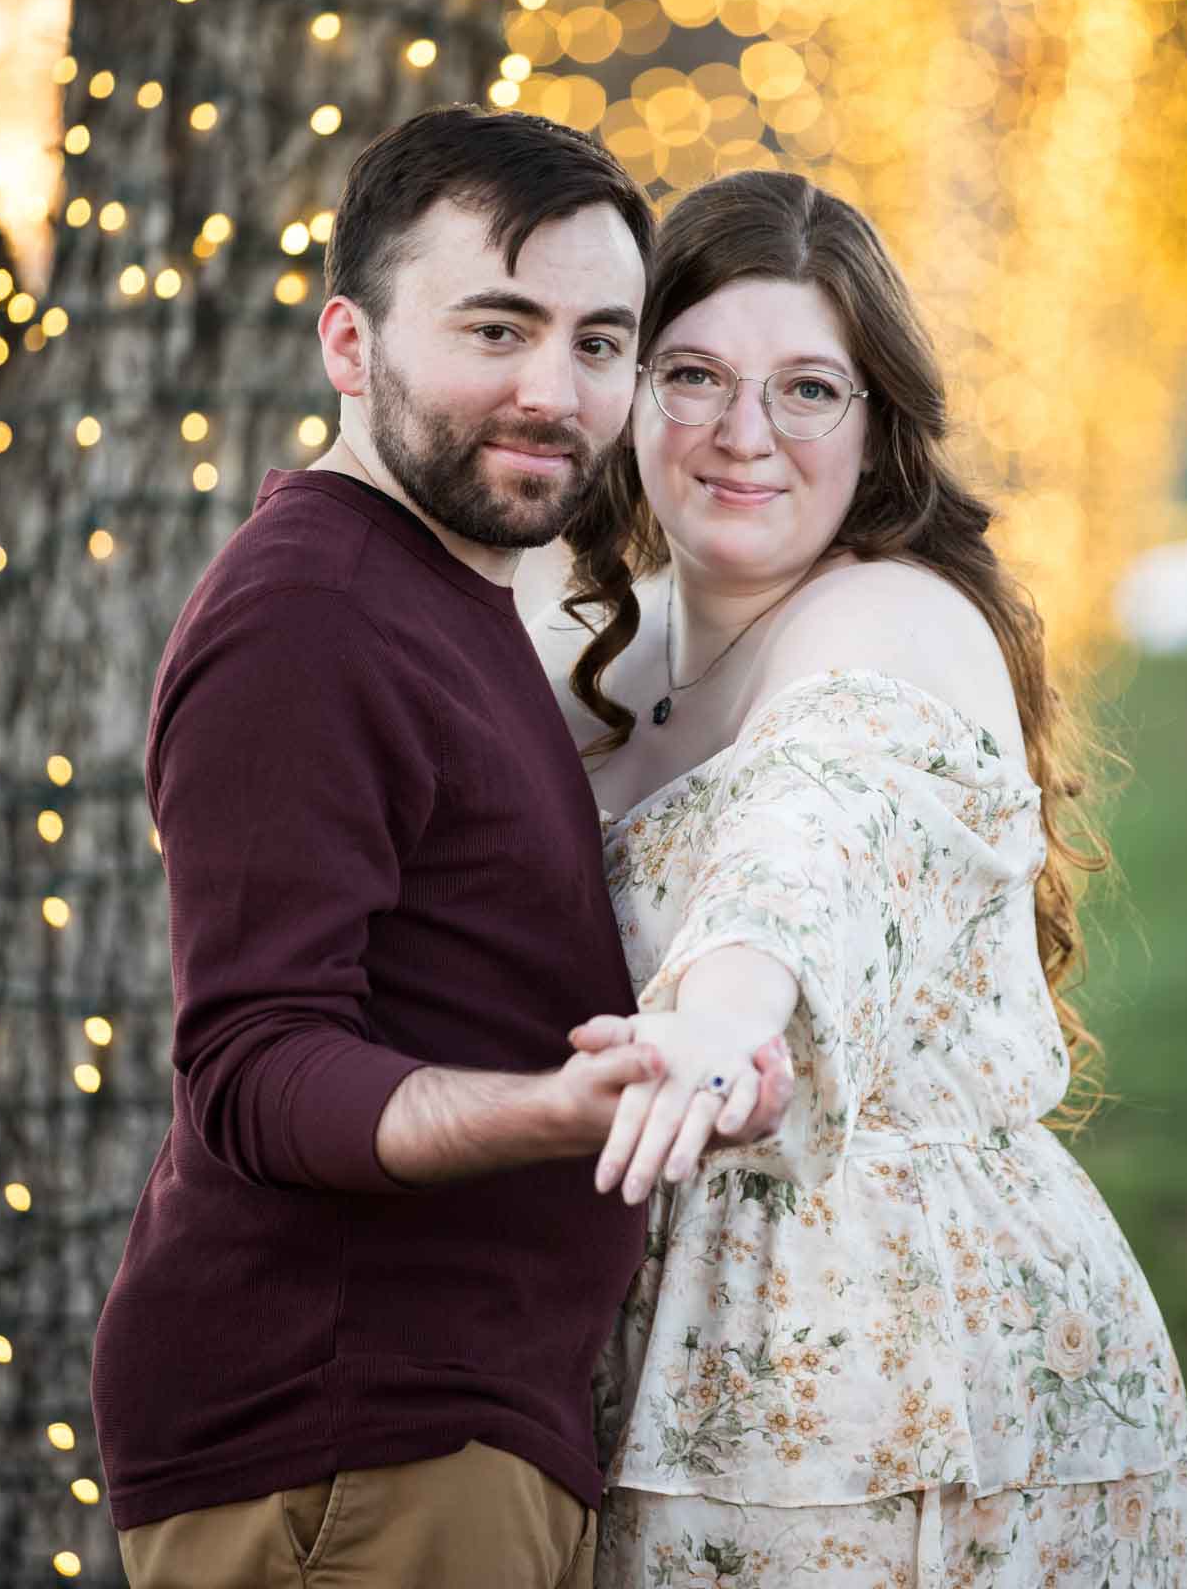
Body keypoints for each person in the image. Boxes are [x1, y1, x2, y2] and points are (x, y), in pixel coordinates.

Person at [90, 106, 793, 1589]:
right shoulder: (313, 617)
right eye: (497, 326)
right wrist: (557, 1108)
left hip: (430, 1442)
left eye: (601, 343)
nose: (554, 391)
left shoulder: (441, 597)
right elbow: (258, 1069)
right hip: (345, 1452)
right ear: (348, 344)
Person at [532, 170, 1187, 1587]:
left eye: (806, 390)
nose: (741, 435)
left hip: (886, 1369)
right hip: (634, 1336)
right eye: (693, 375)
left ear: (876, 426)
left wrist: (722, 1017)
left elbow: (811, 840)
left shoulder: (891, 618)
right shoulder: (605, 650)